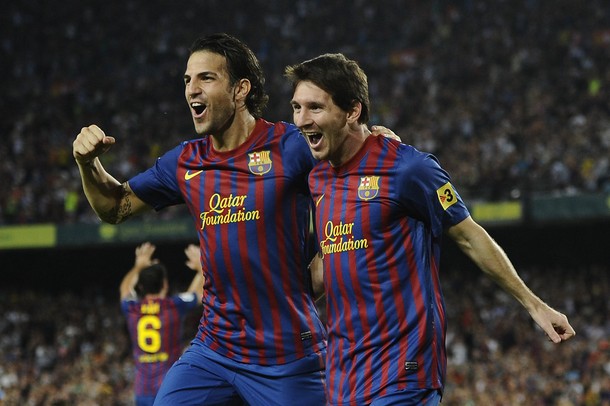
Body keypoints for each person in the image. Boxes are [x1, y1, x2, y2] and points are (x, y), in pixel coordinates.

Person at [74, 33, 397, 405]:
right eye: (187, 80)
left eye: (206, 78)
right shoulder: (185, 161)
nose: (192, 90)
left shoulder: (291, 146)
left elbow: (359, 185)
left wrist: (373, 142)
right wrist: (87, 163)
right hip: (214, 350)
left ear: (240, 89)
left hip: (287, 355)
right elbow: (114, 207)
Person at [285, 53, 576, 406]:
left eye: (315, 107)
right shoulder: (318, 178)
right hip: (343, 377)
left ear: (352, 111)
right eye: (296, 107)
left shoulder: (409, 168)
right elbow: (327, 262)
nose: (301, 119)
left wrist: (534, 305)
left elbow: (469, 236)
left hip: (402, 371)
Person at [120, 241, 204, 406]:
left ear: (140, 286)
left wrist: (138, 266)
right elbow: (197, 294)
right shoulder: (173, 306)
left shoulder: (132, 308)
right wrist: (202, 267)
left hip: (142, 391)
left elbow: (124, 289)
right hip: (169, 388)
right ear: (165, 285)